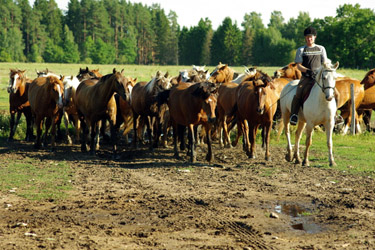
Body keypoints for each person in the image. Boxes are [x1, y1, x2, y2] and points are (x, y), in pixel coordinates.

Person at [289, 26, 343, 126]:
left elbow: (325, 62)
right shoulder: (301, 50)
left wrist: (328, 69)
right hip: (307, 77)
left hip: (320, 78)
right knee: (298, 93)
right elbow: (298, 66)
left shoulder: (321, 48)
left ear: (315, 37)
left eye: (311, 37)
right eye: (307, 37)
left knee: (336, 93)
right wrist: (308, 71)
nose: (309, 39)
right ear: (305, 38)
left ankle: (336, 115)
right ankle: (294, 115)